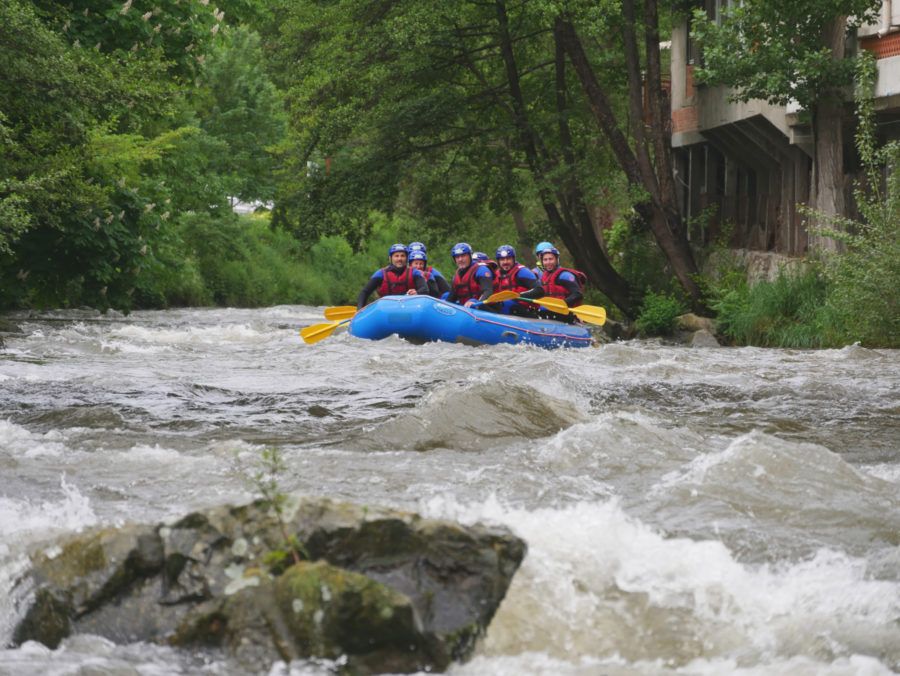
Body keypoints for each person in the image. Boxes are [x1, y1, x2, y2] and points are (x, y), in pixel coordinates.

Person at [520, 243, 586, 322]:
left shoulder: (564, 275)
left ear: (556, 259)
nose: (548, 262)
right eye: (545, 260)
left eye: (551, 259)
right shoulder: (544, 277)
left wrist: (562, 304)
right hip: (549, 314)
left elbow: (578, 294)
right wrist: (520, 295)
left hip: (565, 314)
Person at [356, 243, 428, 309]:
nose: (399, 259)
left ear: (406, 258)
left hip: (409, 309)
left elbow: (425, 289)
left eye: (402, 256)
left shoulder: (414, 273)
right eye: (396, 256)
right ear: (390, 258)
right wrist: (359, 309)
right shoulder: (381, 274)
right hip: (386, 309)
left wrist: (417, 292)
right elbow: (365, 292)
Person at [446, 242, 494, 307]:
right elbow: (451, 299)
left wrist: (476, 303)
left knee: (472, 301)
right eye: (457, 257)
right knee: (445, 296)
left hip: (483, 309)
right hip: (466, 310)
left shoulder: (481, 270)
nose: (460, 259)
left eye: (463, 256)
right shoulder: (456, 276)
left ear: (470, 256)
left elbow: (488, 292)